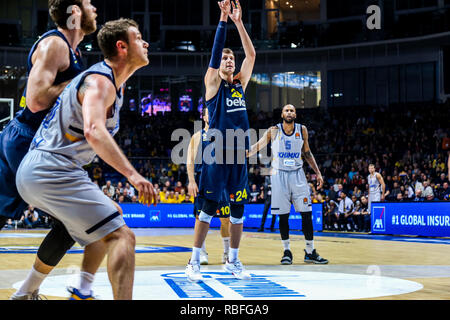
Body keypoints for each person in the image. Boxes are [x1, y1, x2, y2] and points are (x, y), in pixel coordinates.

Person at [15, 18, 155, 300]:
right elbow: (93, 130)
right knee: (122, 236)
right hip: (50, 168)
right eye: (138, 38)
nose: (146, 43)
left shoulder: (114, 85)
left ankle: (75, 289)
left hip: (48, 168)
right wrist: (133, 175)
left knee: (109, 218)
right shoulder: (100, 81)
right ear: (122, 47)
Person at [2, 0, 99, 300]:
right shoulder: (55, 44)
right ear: (74, 13)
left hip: (27, 139)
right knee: (73, 222)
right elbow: (36, 100)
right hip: (30, 140)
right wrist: (82, 82)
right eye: (88, 3)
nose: (94, 7)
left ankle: (26, 292)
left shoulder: (73, 51)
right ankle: (26, 292)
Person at [185, 0, 256, 282]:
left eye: (231, 59)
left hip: (238, 155)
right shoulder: (213, 85)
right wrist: (223, 21)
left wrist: (239, 23)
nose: (229, 60)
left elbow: (251, 56)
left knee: (238, 213)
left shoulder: (239, 84)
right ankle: (194, 262)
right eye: (225, 59)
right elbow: (214, 59)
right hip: (216, 153)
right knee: (206, 211)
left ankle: (234, 261)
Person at [248, 104, 328, 265]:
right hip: (279, 175)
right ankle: (287, 251)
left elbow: (307, 152)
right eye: (287, 110)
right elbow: (258, 146)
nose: (289, 112)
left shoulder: (302, 129)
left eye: (292, 110)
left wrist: (318, 172)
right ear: (282, 114)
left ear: (295, 115)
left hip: (298, 174)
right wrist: (244, 153)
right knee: (283, 216)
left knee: (306, 213)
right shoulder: (273, 130)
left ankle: (310, 251)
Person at [187, 107, 231, 265]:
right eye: (209, 112)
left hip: (221, 182)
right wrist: (191, 181)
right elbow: (190, 161)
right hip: (202, 181)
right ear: (204, 117)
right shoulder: (197, 136)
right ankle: (201, 253)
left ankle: (227, 253)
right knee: (200, 218)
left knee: (226, 218)